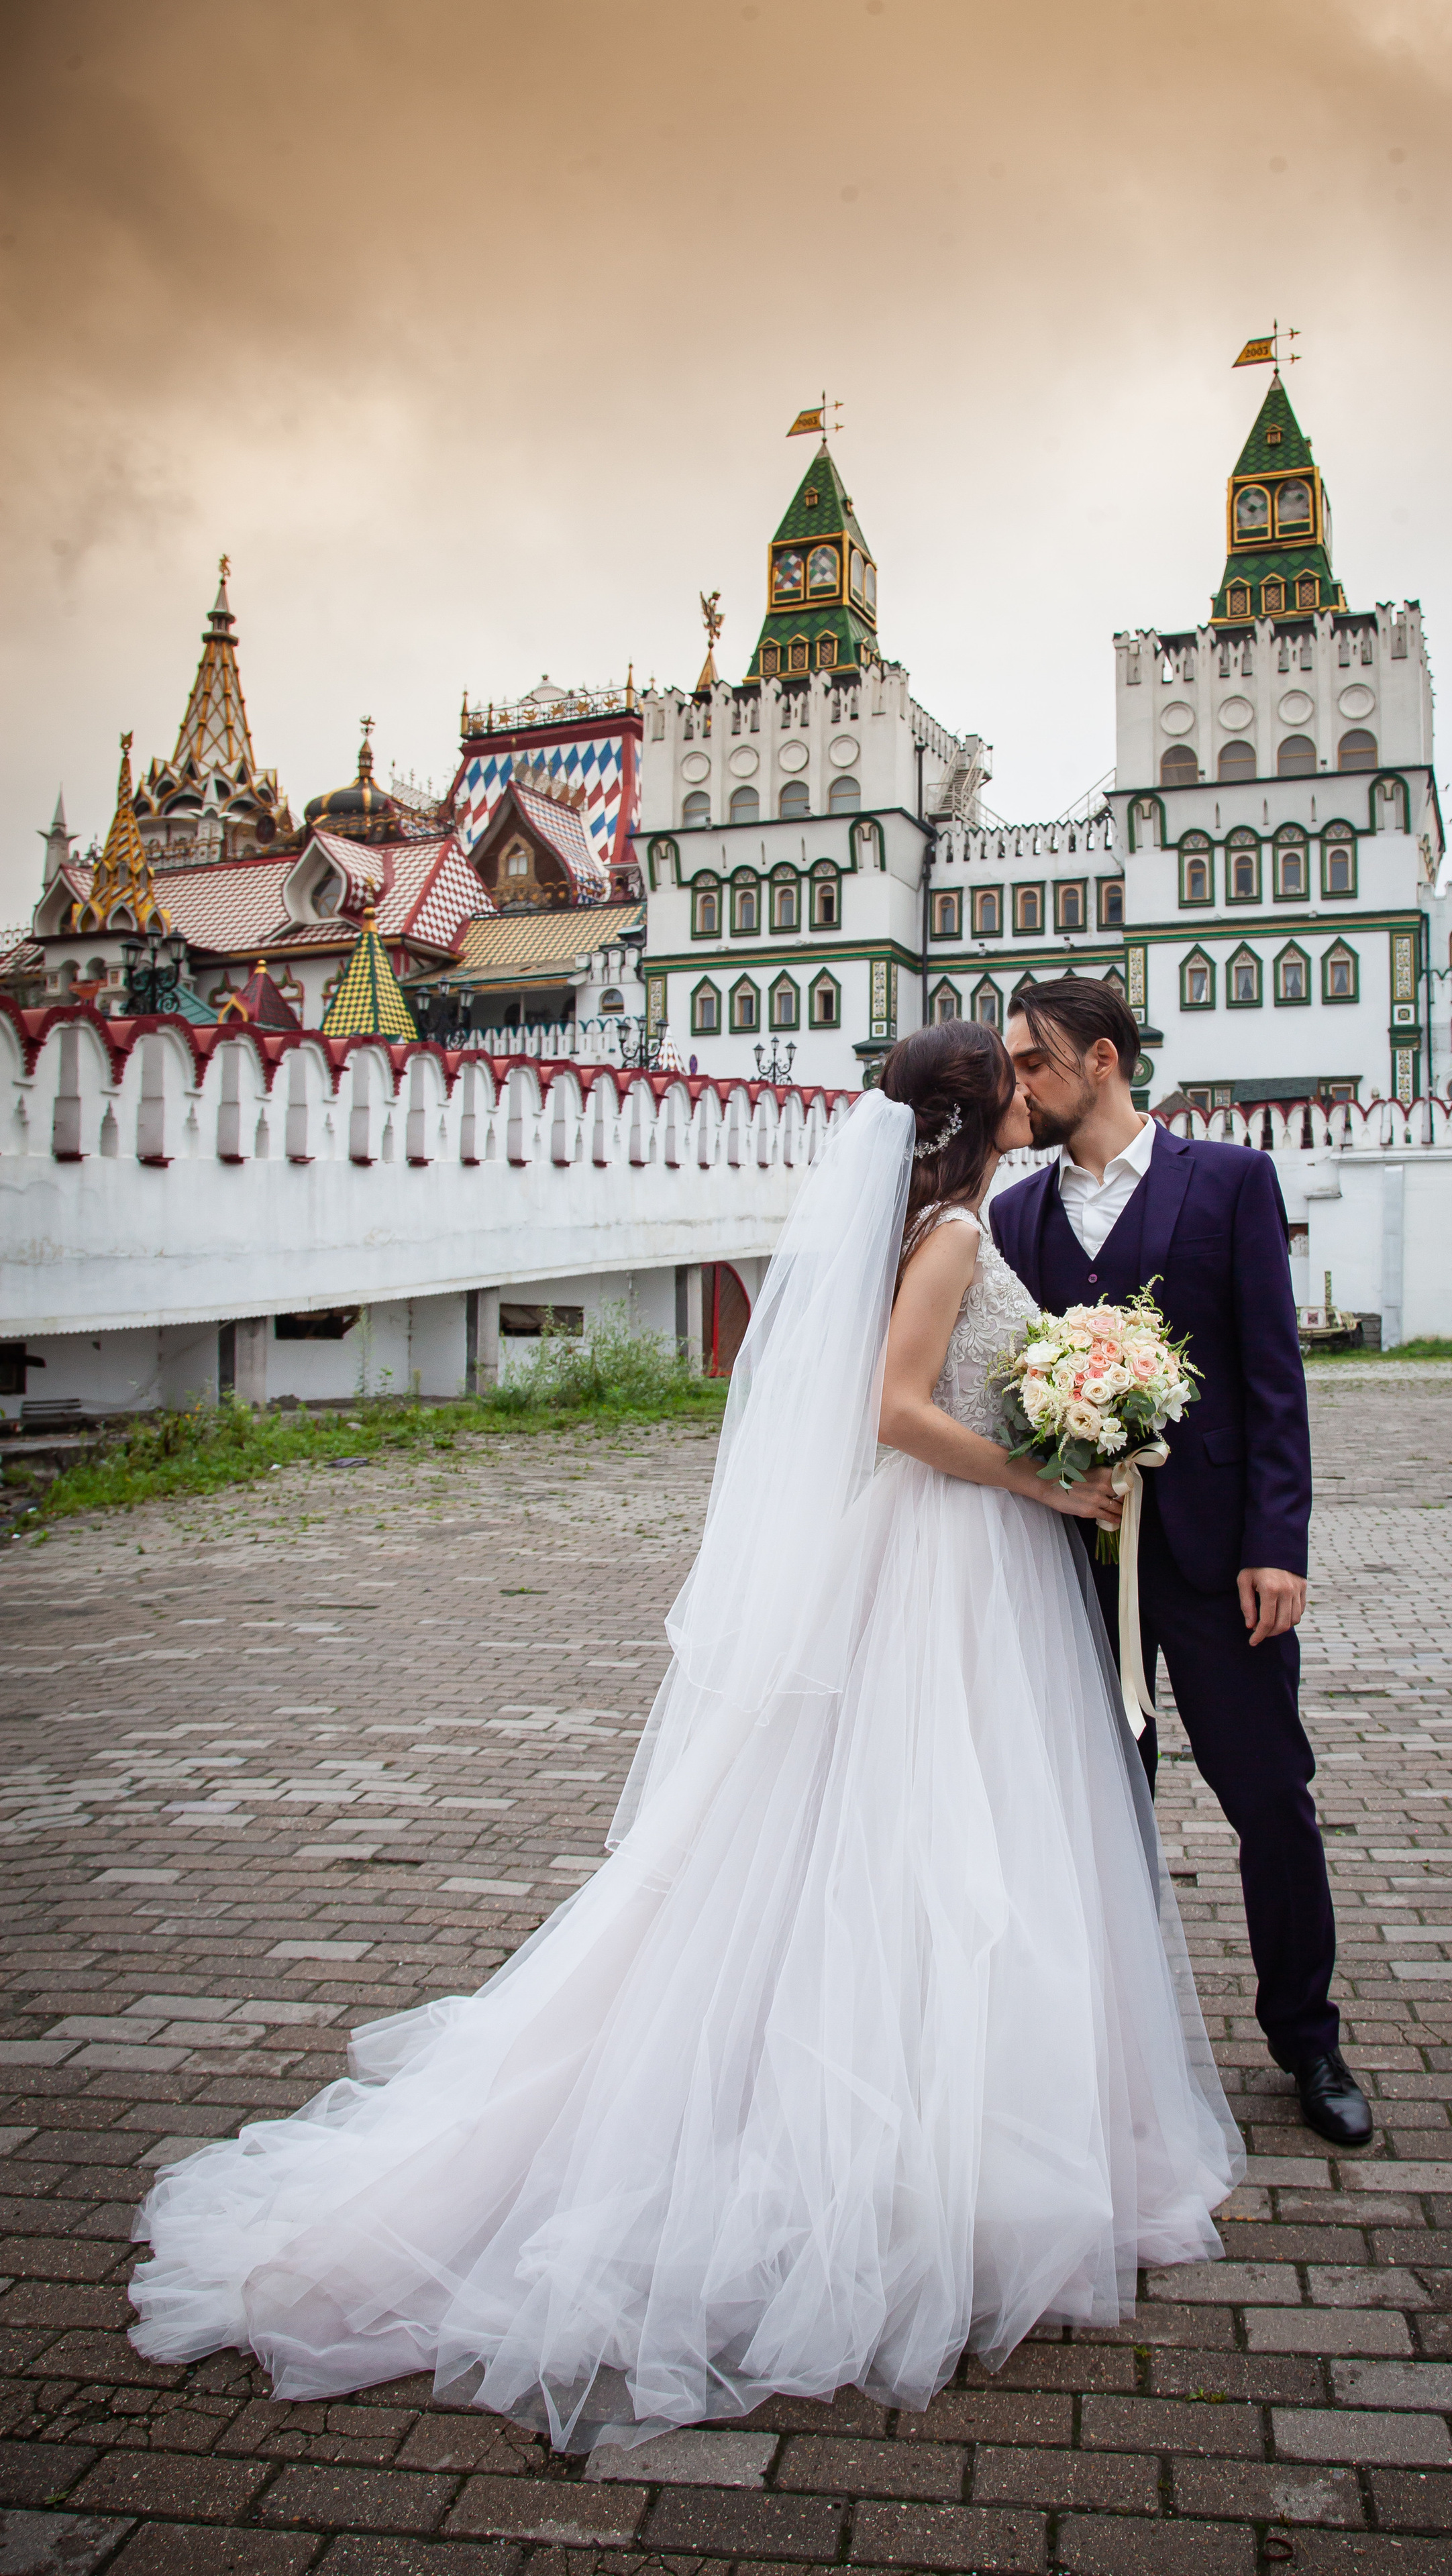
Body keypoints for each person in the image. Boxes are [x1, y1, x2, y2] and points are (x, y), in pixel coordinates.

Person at [129, 1024, 1241, 2453]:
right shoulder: (955, 1232)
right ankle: (912, 2158)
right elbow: (897, 1415)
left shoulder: (945, 1220)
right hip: (950, 1562)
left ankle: (961, 2138)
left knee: (935, 1843)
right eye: (1013, 1079)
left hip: (960, 1565)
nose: (1036, 1090)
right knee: (933, 1841)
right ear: (984, 1110)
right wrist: (1045, 1478)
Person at [989, 981, 1371, 2148]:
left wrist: (1277, 1545)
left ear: (1103, 1061)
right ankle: (1116, 2053)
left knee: (1270, 1801)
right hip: (1078, 1567)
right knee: (1103, 1808)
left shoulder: (1232, 1184)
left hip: (1219, 1566)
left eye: (1033, 1064)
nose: (1018, 1086)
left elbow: (1273, 1384)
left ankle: (1309, 2044)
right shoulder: (1014, 1220)